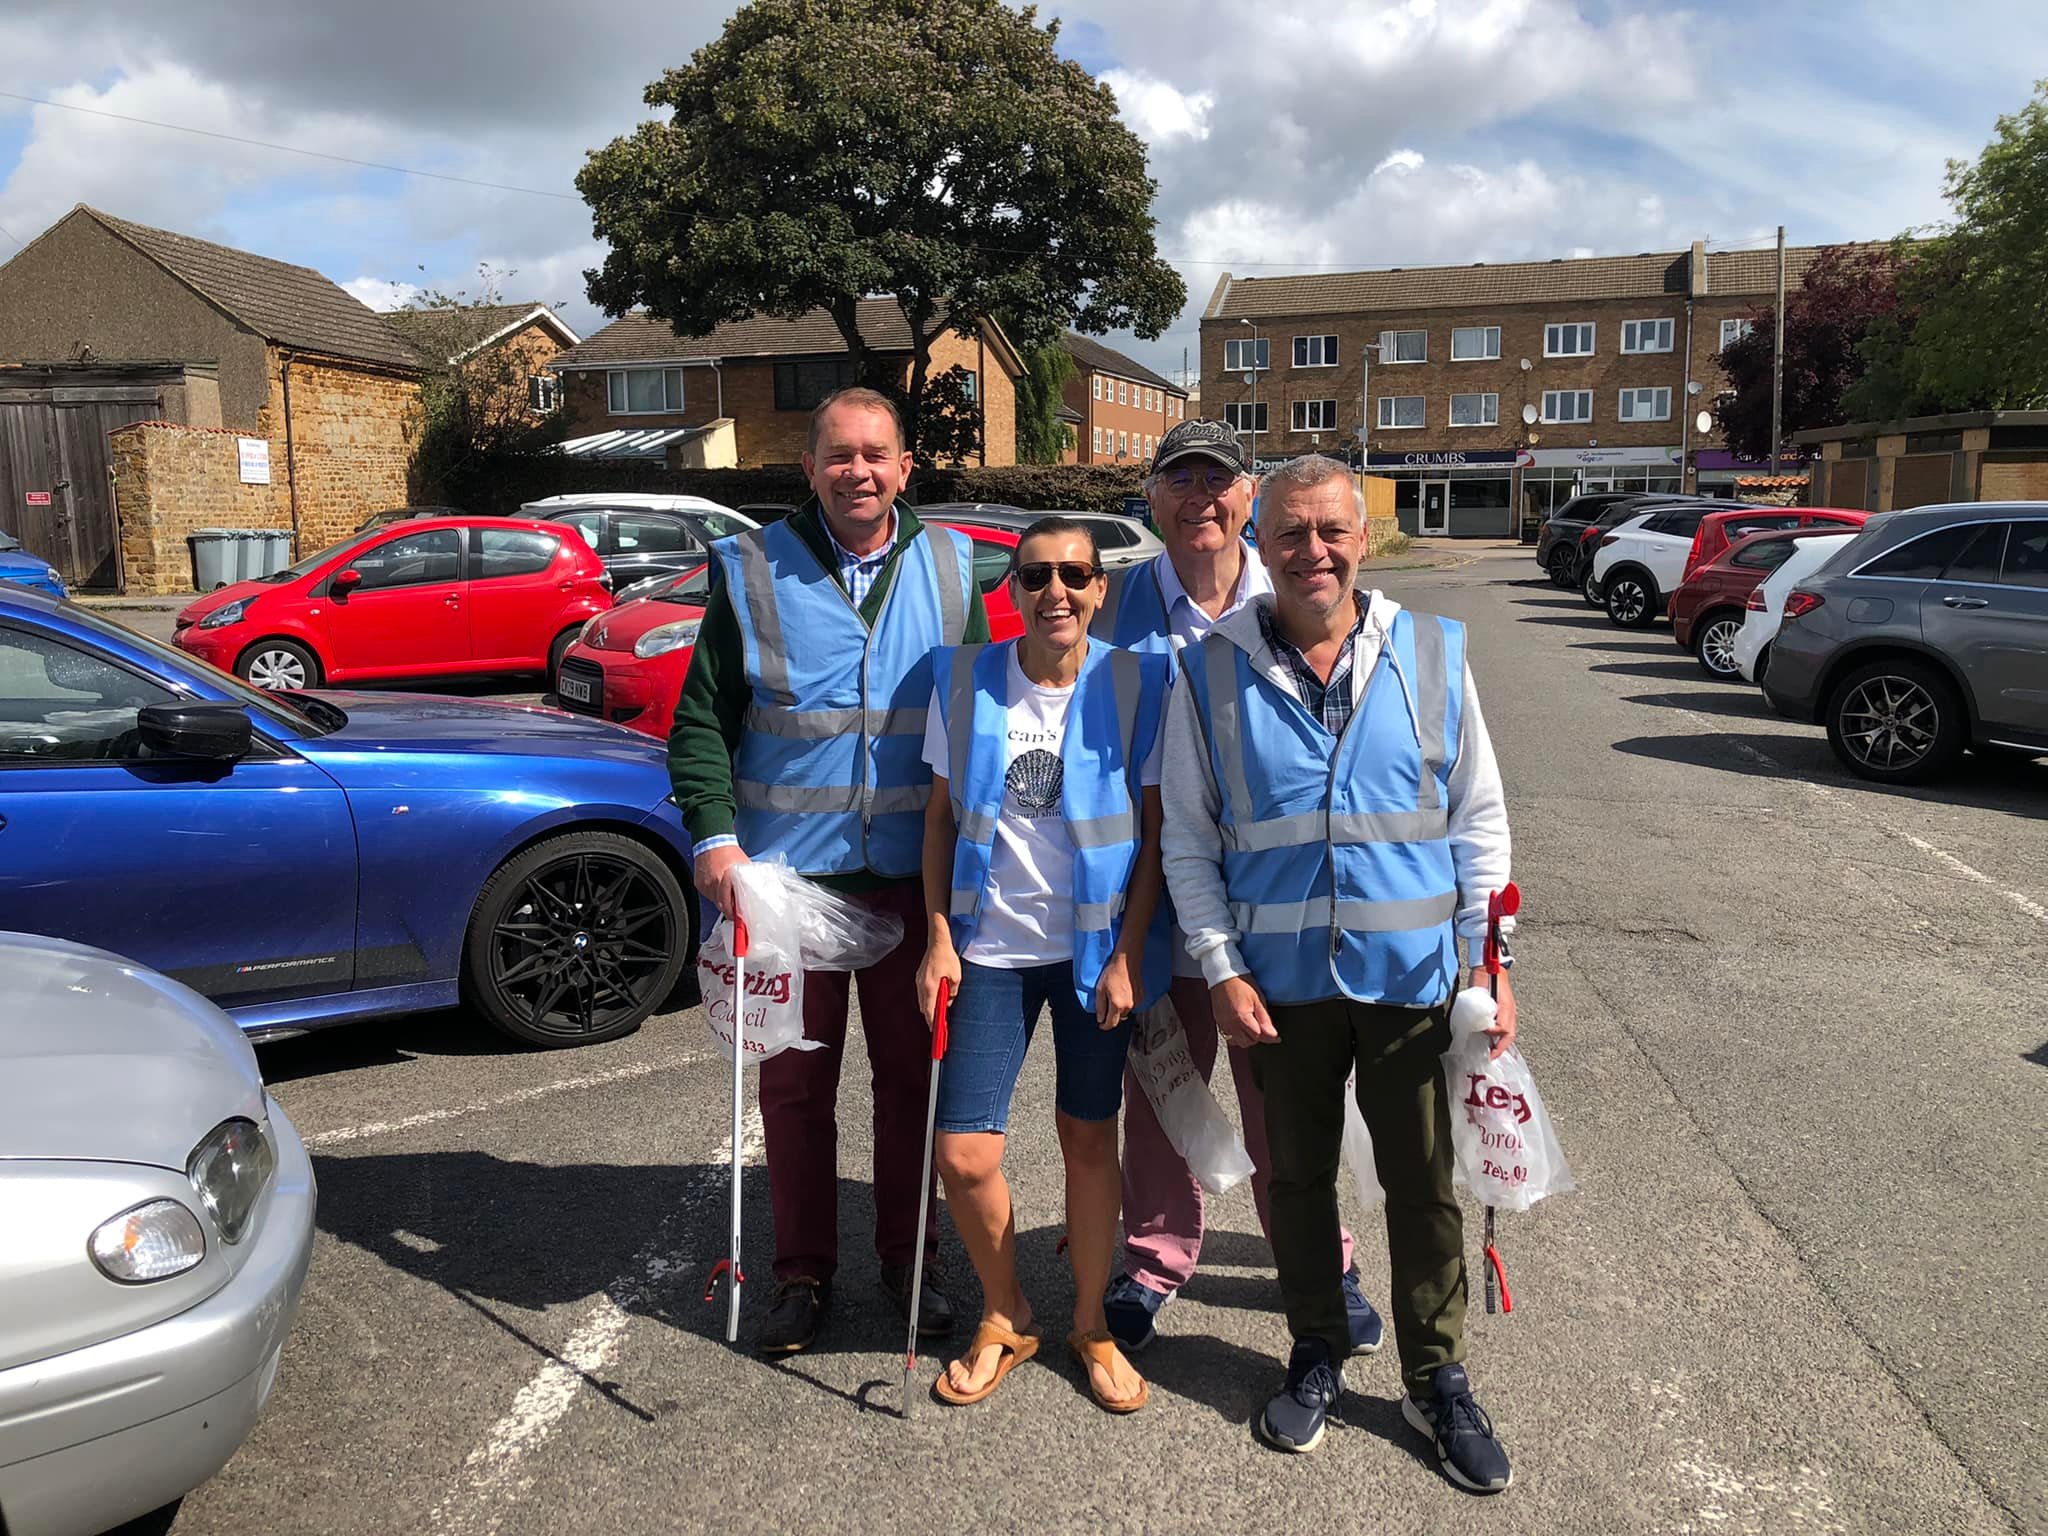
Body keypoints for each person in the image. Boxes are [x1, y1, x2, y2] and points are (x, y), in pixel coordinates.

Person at [1161, 452, 1518, 1490]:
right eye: (1287, 534)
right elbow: (1189, 839)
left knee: (1422, 1187)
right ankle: (1315, 1347)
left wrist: (1486, 966)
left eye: (1329, 531)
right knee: (1298, 1182)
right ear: (1255, 544)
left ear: (1363, 538)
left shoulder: (1435, 652)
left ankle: (1432, 1375)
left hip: (1411, 980)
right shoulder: (1208, 668)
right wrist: (1220, 968)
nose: (1309, 551)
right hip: (1279, 989)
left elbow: (1477, 822)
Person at [669, 386, 988, 1355]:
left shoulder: (949, 565)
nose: (858, 470)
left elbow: (977, 724)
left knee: (909, 1086)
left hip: (909, 880)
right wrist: (713, 839)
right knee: (793, 1094)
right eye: (838, 455)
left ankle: (908, 1260)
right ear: (807, 469)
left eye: (876, 454)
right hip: (782, 889)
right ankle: (800, 1275)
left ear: (904, 468)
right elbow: (699, 721)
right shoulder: (750, 567)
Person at [1090, 418, 1381, 1360]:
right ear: (1153, 498)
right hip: (1147, 893)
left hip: (1271, 900)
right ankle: (1155, 1253)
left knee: (1280, 1093)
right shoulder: (1112, 608)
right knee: (1164, 1080)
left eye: (1221, 481)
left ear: (1250, 498)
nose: (1201, 499)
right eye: (1181, 481)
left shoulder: (1293, 594)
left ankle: (1322, 1261)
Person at [916, 516, 1172, 1413]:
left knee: (1089, 1139)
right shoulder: (969, 678)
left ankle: (1092, 1324)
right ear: (1013, 589)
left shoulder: (1139, 680)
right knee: (965, 1152)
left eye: (1074, 575)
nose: (1055, 592)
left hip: (1094, 955)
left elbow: (1153, 836)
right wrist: (939, 936)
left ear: (1101, 587)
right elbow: (941, 821)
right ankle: (1008, 1310)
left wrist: (1130, 956)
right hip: (988, 947)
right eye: (1036, 577)